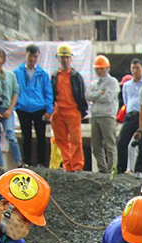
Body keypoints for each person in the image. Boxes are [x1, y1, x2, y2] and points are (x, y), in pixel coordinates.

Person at [14, 44, 53, 168]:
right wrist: (16, 106)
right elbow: (13, 91)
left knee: (41, 136)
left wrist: (49, 110)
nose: (32, 59)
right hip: (23, 108)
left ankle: (41, 162)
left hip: (39, 109)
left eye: (35, 57)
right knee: (26, 137)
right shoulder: (17, 73)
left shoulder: (43, 74)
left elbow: (48, 92)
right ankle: (27, 162)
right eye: (30, 56)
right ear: (26, 54)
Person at [51, 44, 87, 172]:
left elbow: (81, 94)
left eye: (67, 57)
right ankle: (68, 165)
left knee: (76, 140)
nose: (65, 60)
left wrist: (82, 110)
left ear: (70, 58)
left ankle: (77, 165)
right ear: (58, 58)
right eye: (62, 57)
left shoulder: (76, 77)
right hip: (58, 111)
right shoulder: (55, 76)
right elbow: (51, 94)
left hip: (73, 111)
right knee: (61, 140)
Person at [86, 54, 120, 173]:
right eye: (97, 69)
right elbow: (87, 95)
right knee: (96, 146)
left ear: (107, 68)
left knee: (110, 145)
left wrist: (96, 96)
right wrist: (99, 93)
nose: (100, 71)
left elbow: (108, 98)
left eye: (102, 68)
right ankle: (102, 169)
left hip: (107, 116)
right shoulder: (94, 83)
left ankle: (112, 169)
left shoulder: (113, 82)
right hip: (95, 116)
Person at [116, 59, 142, 174]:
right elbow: (125, 100)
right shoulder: (126, 85)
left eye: (137, 68)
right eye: (133, 68)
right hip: (130, 115)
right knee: (122, 141)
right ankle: (121, 167)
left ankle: (141, 169)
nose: (135, 71)